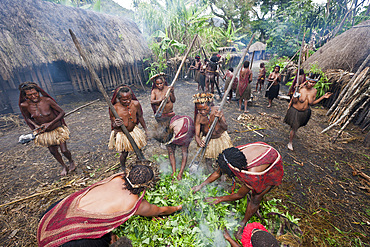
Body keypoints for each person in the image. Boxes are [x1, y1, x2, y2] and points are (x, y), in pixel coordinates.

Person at [37, 164, 182, 246]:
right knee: (104, 242)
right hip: (74, 241)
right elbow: (161, 211)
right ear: (146, 186)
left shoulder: (116, 177)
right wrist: (177, 208)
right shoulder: (136, 203)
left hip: (53, 215)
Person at [192, 142, 284, 240]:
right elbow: (218, 172)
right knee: (250, 188)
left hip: (272, 165)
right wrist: (201, 185)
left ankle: (242, 223)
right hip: (261, 152)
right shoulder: (231, 156)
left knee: (256, 197)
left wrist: (218, 199)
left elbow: (240, 195)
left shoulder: (253, 173)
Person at [18, 82, 75, 176]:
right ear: (25, 96)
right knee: (53, 151)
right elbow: (28, 118)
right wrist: (35, 126)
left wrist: (50, 123)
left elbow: (62, 112)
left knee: (64, 150)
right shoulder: (24, 105)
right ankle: (64, 166)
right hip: (44, 132)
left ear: (39, 92)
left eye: (35, 93)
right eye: (29, 95)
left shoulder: (47, 100)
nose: (33, 96)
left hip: (57, 129)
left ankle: (71, 161)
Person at [284, 77, 332, 151]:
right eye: (310, 82)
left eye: (313, 83)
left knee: (296, 126)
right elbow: (294, 101)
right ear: (307, 81)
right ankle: (290, 142)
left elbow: (312, 103)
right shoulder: (300, 89)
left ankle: (292, 131)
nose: (311, 84)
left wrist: (323, 97)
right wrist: (295, 94)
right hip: (295, 111)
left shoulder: (314, 91)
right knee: (294, 127)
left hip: (305, 113)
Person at [108, 85, 147, 169]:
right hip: (122, 133)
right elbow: (113, 124)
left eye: (129, 98)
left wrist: (146, 129)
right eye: (124, 100)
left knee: (138, 150)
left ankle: (141, 164)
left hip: (133, 130)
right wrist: (116, 123)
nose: (128, 101)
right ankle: (123, 167)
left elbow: (140, 116)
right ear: (119, 98)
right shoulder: (114, 108)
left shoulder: (135, 104)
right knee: (124, 153)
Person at [193, 93, 233, 169]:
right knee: (208, 160)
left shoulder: (218, 110)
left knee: (223, 159)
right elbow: (197, 135)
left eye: (205, 109)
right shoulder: (199, 117)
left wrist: (220, 118)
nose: (203, 112)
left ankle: (222, 176)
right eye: (199, 110)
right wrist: (199, 142)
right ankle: (210, 175)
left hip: (221, 138)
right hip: (208, 140)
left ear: (210, 105)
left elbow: (225, 127)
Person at [165, 115, 195, 180]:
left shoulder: (184, 135)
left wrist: (180, 173)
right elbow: (171, 153)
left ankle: (181, 171)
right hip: (175, 131)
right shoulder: (167, 133)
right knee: (171, 150)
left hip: (185, 127)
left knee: (184, 150)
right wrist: (174, 172)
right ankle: (174, 170)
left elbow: (185, 154)